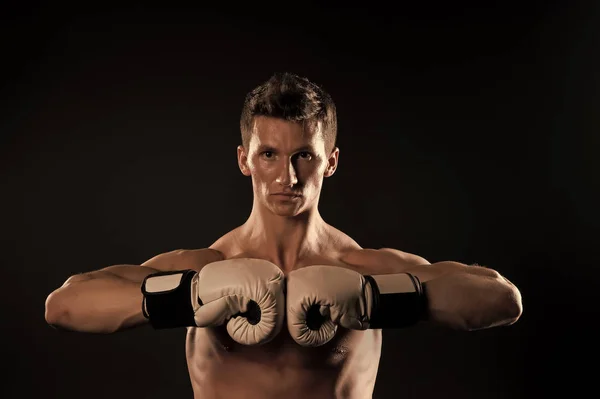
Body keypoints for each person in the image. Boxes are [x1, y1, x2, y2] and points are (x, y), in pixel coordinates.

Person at [44, 72, 523, 399]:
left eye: (305, 156)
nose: (287, 178)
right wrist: (190, 297)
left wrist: (377, 299)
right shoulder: (205, 267)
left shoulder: (361, 268)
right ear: (243, 160)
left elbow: (502, 300)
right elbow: (64, 305)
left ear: (330, 162)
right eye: (269, 154)